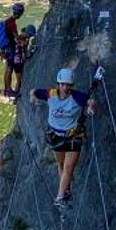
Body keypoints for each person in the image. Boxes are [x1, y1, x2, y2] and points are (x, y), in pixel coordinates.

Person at [32, 63, 96, 204]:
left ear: (71, 85)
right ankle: (66, 190)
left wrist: (91, 107)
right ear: (58, 84)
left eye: (68, 85)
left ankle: (60, 197)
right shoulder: (51, 94)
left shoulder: (77, 97)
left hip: (73, 135)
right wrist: (33, 97)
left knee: (68, 167)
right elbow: (34, 91)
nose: (65, 88)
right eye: (62, 84)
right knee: (60, 164)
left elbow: (90, 101)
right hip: (55, 136)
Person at [0, 2, 28, 98]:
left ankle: (8, 89)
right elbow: (16, 37)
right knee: (9, 69)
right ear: (20, 13)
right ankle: (8, 90)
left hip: (7, 48)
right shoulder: (11, 23)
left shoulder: (8, 21)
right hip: (10, 49)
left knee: (9, 68)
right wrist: (24, 39)